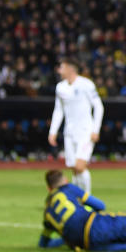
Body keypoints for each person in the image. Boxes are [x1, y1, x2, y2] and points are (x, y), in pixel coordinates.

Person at [48, 57, 103, 195]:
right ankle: (78, 198)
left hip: (85, 131)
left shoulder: (86, 84)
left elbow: (98, 106)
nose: (59, 70)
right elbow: (58, 110)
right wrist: (53, 131)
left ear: (70, 69)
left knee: (80, 166)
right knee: (73, 167)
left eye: (62, 67)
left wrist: (95, 129)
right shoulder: (60, 87)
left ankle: (88, 200)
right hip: (69, 132)